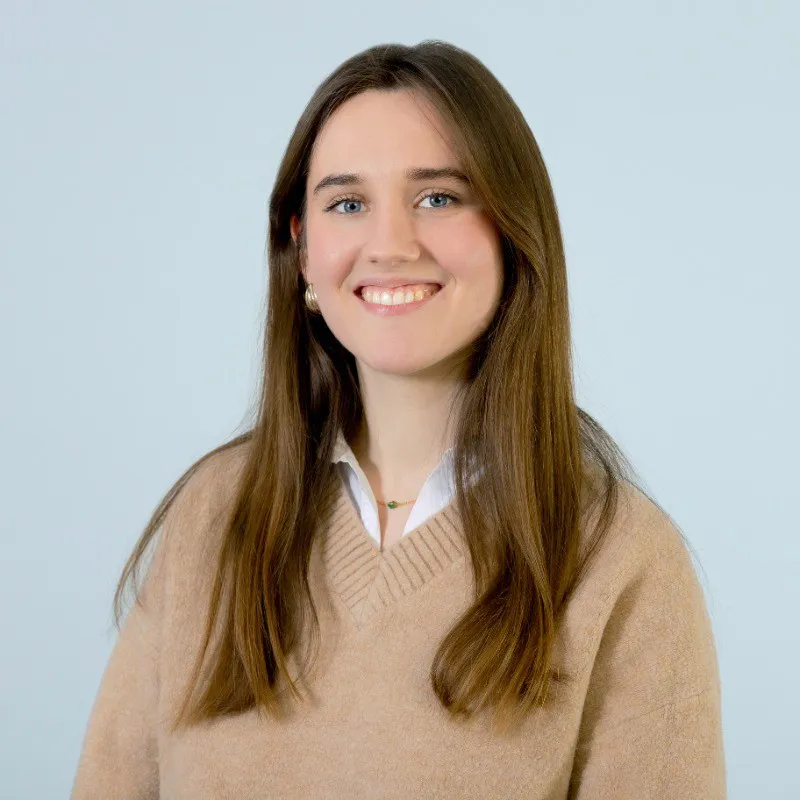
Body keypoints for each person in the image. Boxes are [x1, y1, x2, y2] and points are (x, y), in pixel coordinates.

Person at [71, 40, 726, 799]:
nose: (390, 245)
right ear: (301, 249)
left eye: (439, 197)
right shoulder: (210, 521)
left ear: (513, 235)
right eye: (348, 203)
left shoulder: (624, 560)